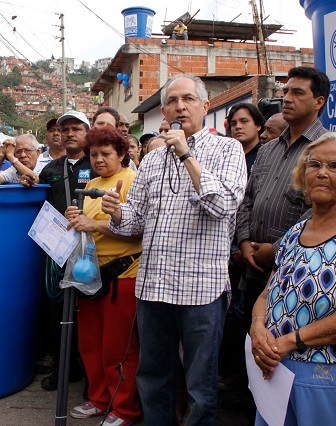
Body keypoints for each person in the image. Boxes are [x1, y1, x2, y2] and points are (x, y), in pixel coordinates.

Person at [101, 73, 247, 425]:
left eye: (189, 99)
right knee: (153, 377)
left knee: (200, 383)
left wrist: (185, 154)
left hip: (201, 290)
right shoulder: (150, 160)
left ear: (205, 106)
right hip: (153, 287)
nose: (180, 106)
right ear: (164, 109)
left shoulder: (227, 149)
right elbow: (136, 221)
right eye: (172, 101)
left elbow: (224, 205)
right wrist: (118, 212)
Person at [249, 132, 336, 425]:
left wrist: (291, 340)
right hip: (275, 365)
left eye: (335, 166)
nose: (322, 173)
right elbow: (267, 294)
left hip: (328, 369)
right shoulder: (294, 233)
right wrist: (258, 328)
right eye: (314, 165)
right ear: (303, 176)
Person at [236, 68, 330, 396]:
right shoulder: (270, 148)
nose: (287, 99)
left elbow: (319, 211)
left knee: (283, 360)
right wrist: (246, 241)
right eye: (286, 91)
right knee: (254, 347)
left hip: (296, 273)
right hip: (254, 268)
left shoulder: (327, 150)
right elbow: (248, 197)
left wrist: (276, 248)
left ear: (319, 101)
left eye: (298, 93)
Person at [65, 126, 142, 425]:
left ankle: (124, 408)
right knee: (90, 343)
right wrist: (76, 220)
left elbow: (139, 231)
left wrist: (92, 225)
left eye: (106, 154)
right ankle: (99, 398)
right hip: (90, 275)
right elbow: (86, 225)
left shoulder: (133, 181)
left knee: (118, 348)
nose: (98, 159)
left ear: (122, 154)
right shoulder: (92, 183)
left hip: (123, 276)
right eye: (94, 154)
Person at [37, 110, 94, 391]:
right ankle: (64, 370)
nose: (69, 134)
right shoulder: (50, 170)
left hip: (91, 251)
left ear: (87, 131)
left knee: (89, 312)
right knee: (59, 312)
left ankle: (89, 373)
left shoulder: (96, 162)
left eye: (76, 128)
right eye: (65, 129)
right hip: (58, 252)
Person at [218, 102, 266, 411]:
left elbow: (250, 200)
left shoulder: (265, 156)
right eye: (233, 121)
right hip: (233, 248)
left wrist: (247, 243)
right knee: (234, 320)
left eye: (245, 121)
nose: (238, 126)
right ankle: (236, 378)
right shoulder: (226, 155)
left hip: (259, 252)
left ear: (258, 126)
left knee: (247, 318)